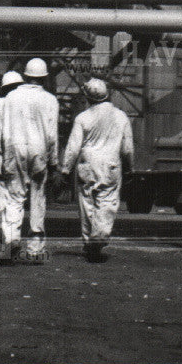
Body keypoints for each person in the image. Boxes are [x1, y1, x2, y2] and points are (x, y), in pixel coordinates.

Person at [60, 77, 134, 263]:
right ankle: (99, 236)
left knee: (86, 202)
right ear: (107, 95)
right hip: (110, 165)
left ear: (87, 97)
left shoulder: (82, 118)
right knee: (107, 202)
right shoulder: (120, 116)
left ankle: (88, 241)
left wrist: (65, 170)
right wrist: (130, 168)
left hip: (87, 164)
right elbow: (127, 148)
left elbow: (73, 147)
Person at [1, 57, 60, 261]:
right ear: (44, 78)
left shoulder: (11, 97)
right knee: (37, 196)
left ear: (25, 76)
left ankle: (11, 237)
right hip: (39, 149)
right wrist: (54, 163)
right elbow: (52, 136)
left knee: (14, 195)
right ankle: (35, 248)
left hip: (14, 148)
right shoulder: (50, 100)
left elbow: (5, 132)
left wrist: (5, 158)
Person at [0, 70, 24, 237]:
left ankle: (2, 228)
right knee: (15, 200)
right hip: (17, 159)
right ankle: (12, 235)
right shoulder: (23, 105)